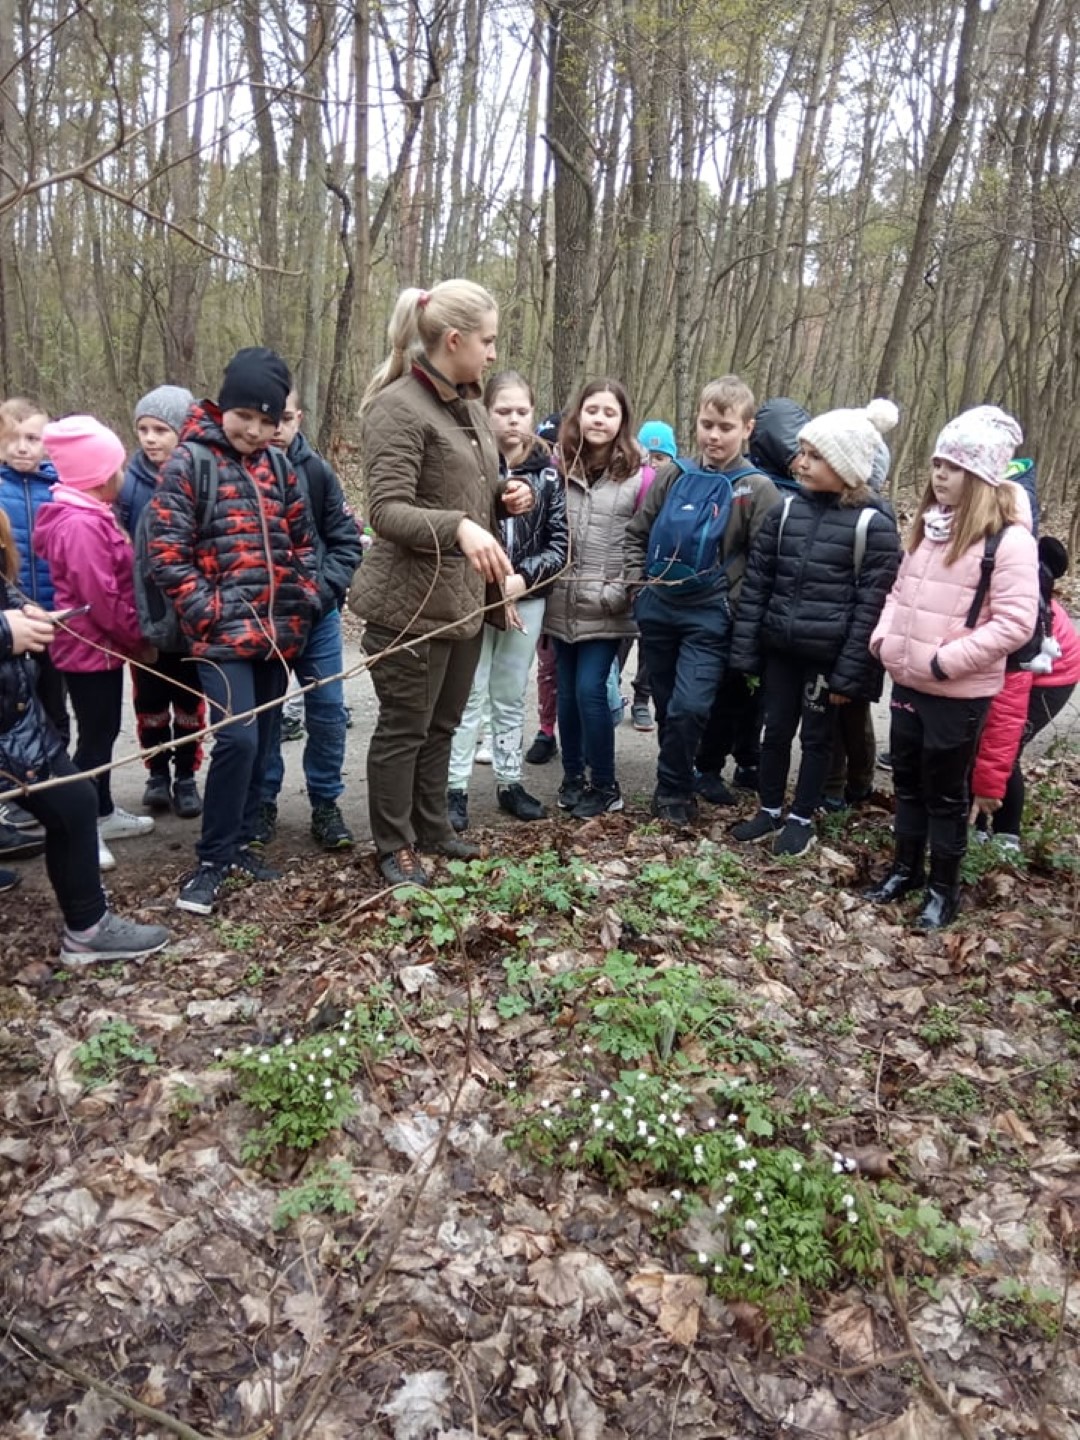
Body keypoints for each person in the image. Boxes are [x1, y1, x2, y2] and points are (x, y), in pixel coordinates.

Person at [349, 280, 529, 888]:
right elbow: (386, 512)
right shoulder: (396, 407)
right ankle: (394, 845)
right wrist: (458, 526)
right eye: (487, 341)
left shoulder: (470, 406)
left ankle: (432, 827)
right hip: (410, 606)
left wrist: (502, 498)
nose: (493, 353)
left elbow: (465, 491)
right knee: (405, 728)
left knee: (443, 725)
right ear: (454, 339)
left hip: (462, 602)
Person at [147, 347, 320, 915]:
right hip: (221, 637)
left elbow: (304, 541)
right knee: (238, 739)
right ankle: (212, 859)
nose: (254, 430)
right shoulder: (190, 462)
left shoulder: (279, 468)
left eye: (267, 421)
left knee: (264, 741)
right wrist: (210, 611)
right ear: (224, 407)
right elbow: (166, 553)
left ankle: (242, 842)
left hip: (277, 631)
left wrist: (304, 596)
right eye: (245, 416)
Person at [866, 405, 1040, 928]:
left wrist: (945, 662)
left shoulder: (1009, 540)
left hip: (957, 692)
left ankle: (944, 889)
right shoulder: (930, 528)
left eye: (955, 466)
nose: (940, 475)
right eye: (938, 463)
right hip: (909, 681)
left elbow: (1015, 623)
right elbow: (899, 593)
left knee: (945, 795)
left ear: (981, 476)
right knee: (908, 783)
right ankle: (905, 870)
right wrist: (885, 641)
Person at [729, 399, 901, 855]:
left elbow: (872, 606)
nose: (801, 463)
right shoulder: (785, 512)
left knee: (817, 737)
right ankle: (768, 809)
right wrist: (747, 650)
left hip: (827, 658)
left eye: (815, 456)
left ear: (846, 465)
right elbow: (759, 583)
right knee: (775, 731)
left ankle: (802, 818)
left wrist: (850, 675)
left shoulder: (873, 525)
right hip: (781, 650)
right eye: (802, 452)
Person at [0, 506, 171, 962]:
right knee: (76, 796)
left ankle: (87, 929)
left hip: (15, 718)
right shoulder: (78, 522)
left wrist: (20, 611)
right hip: (13, 718)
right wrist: (5, 631)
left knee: (76, 802)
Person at [624, 376, 780, 823]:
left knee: (690, 708)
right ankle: (672, 785)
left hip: (711, 617)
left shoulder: (758, 490)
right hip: (658, 608)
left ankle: (673, 791)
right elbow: (637, 534)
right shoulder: (673, 474)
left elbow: (766, 564)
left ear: (747, 429)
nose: (714, 435)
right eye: (706, 424)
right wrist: (638, 587)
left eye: (725, 427)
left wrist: (735, 609)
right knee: (667, 706)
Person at [33, 416, 157, 873]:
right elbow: (101, 598)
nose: (122, 473)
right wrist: (137, 638)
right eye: (116, 466)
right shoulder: (81, 526)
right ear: (98, 476)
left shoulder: (91, 514)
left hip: (101, 648)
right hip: (89, 649)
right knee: (95, 739)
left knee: (102, 732)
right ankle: (82, 830)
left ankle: (102, 810)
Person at [447, 371, 568, 831]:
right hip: (476, 596)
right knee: (470, 690)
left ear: (533, 415)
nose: (513, 420)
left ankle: (509, 781)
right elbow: (457, 529)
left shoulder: (550, 476)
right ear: (486, 413)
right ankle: (454, 788)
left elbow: (559, 545)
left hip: (526, 597)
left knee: (510, 691)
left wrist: (522, 580)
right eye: (503, 411)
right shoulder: (472, 466)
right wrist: (492, 582)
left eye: (521, 411)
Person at [253, 387, 363, 851]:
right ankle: (261, 802)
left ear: (298, 418)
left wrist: (320, 591)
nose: (276, 428)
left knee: (328, 711)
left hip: (317, 617)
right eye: (267, 418)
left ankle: (325, 802)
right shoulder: (240, 472)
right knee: (264, 715)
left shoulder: (317, 471)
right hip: (263, 621)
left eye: (285, 418)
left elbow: (346, 541)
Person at [693, 395, 811, 803]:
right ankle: (712, 765)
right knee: (733, 691)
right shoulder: (753, 484)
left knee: (748, 691)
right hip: (740, 605)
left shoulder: (765, 486)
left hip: (756, 606)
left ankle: (742, 760)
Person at [542, 378, 645, 819]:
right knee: (566, 694)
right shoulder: (558, 467)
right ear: (578, 414)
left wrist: (621, 589)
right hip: (561, 602)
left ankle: (605, 784)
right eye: (592, 410)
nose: (599, 419)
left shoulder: (639, 475)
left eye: (609, 412)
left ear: (622, 420)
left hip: (607, 605)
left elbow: (641, 541)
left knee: (590, 691)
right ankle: (572, 777)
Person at [116, 384, 206, 819]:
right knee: (149, 702)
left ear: (183, 431)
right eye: (144, 430)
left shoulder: (198, 475)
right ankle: (157, 774)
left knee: (189, 701)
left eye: (161, 430)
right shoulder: (127, 484)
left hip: (189, 616)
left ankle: (186, 776)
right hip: (146, 615)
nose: (150, 439)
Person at [971, 536, 1079, 850]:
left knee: (1004, 750)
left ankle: (1007, 835)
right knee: (973, 741)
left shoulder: (1020, 617)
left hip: (1049, 676)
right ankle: (975, 826)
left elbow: (1005, 721)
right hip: (1011, 663)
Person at [0, 396, 69, 748]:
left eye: (32, 438)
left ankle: (58, 768)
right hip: (10, 620)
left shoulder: (60, 489)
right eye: (12, 438)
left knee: (55, 703)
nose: (22, 447)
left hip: (52, 617)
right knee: (14, 703)